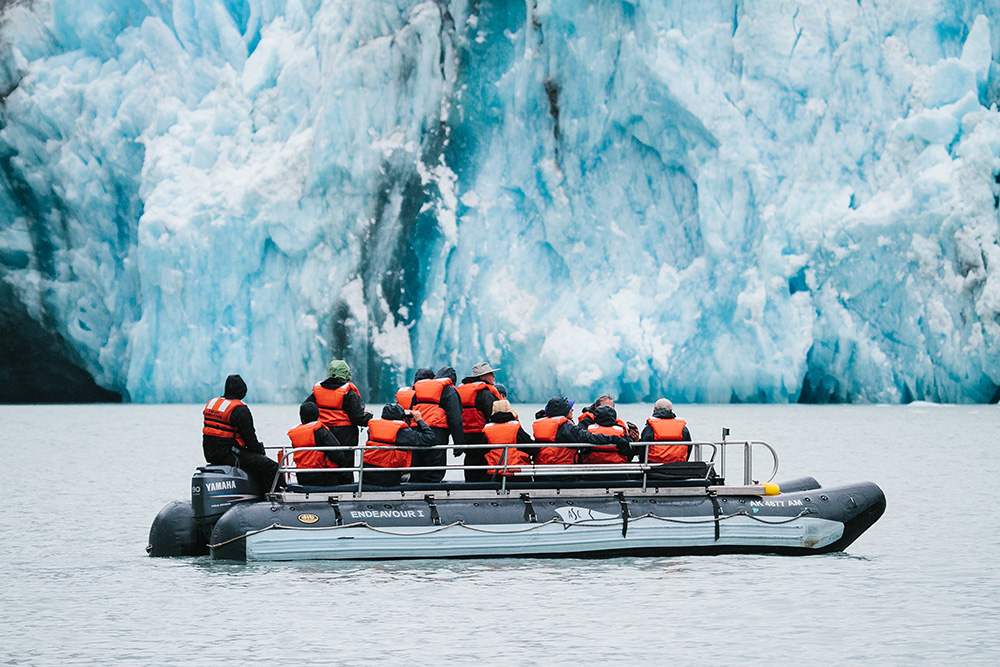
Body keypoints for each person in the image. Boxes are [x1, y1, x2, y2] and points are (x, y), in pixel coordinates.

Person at [202, 374, 283, 494]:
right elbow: (250, 439)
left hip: (210, 454)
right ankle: (278, 495)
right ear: (242, 390)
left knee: (255, 461)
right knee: (271, 467)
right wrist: (261, 452)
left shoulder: (212, 405)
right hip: (230, 455)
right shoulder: (240, 410)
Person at [531, 397, 629, 481]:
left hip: (542, 472)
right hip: (563, 474)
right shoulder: (566, 427)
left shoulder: (541, 424)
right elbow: (588, 437)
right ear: (563, 411)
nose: (572, 410)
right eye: (569, 408)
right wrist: (613, 439)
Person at [362, 404, 439, 487]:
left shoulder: (371, 429)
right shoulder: (402, 432)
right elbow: (430, 438)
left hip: (367, 476)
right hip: (388, 479)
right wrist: (419, 420)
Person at [409, 366, 464, 482]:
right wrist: (458, 445)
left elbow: (410, 413)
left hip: (417, 432)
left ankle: (416, 491)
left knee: (417, 470)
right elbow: (455, 419)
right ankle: (431, 492)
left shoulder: (420, 388)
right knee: (434, 472)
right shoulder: (449, 390)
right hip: (437, 434)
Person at [305, 359, 372, 453]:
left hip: (323, 434)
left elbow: (306, 411)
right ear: (346, 374)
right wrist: (368, 416)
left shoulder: (318, 391)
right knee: (344, 461)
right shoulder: (349, 393)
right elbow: (358, 418)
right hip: (345, 438)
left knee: (325, 460)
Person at [456, 362, 503, 482]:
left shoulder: (460, 391)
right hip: (482, 437)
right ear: (482, 377)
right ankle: (484, 487)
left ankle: (470, 485)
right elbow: (495, 415)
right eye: (490, 374)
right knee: (483, 466)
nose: (493, 376)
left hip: (465, 437)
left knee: (471, 463)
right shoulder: (485, 393)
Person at [287, 401, 353, 486]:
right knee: (344, 472)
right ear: (318, 416)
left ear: (302, 418)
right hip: (323, 477)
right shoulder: (321, 431)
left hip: (302, 477)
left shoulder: (296, 434)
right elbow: (338, 454)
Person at [482, 400, 534, 477]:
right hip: (516, 473)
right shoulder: (515, 427)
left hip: (494, 474)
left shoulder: (487, 429)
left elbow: (480, 451)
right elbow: (531, 448)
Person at [639, 398, 692, 463]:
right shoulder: (683, 428)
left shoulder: (650, 428)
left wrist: (642, 462)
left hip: (655, 465)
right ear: (671, 410)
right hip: (678, 465)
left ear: (654, 411)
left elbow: (643, 447)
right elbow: (689, 446)